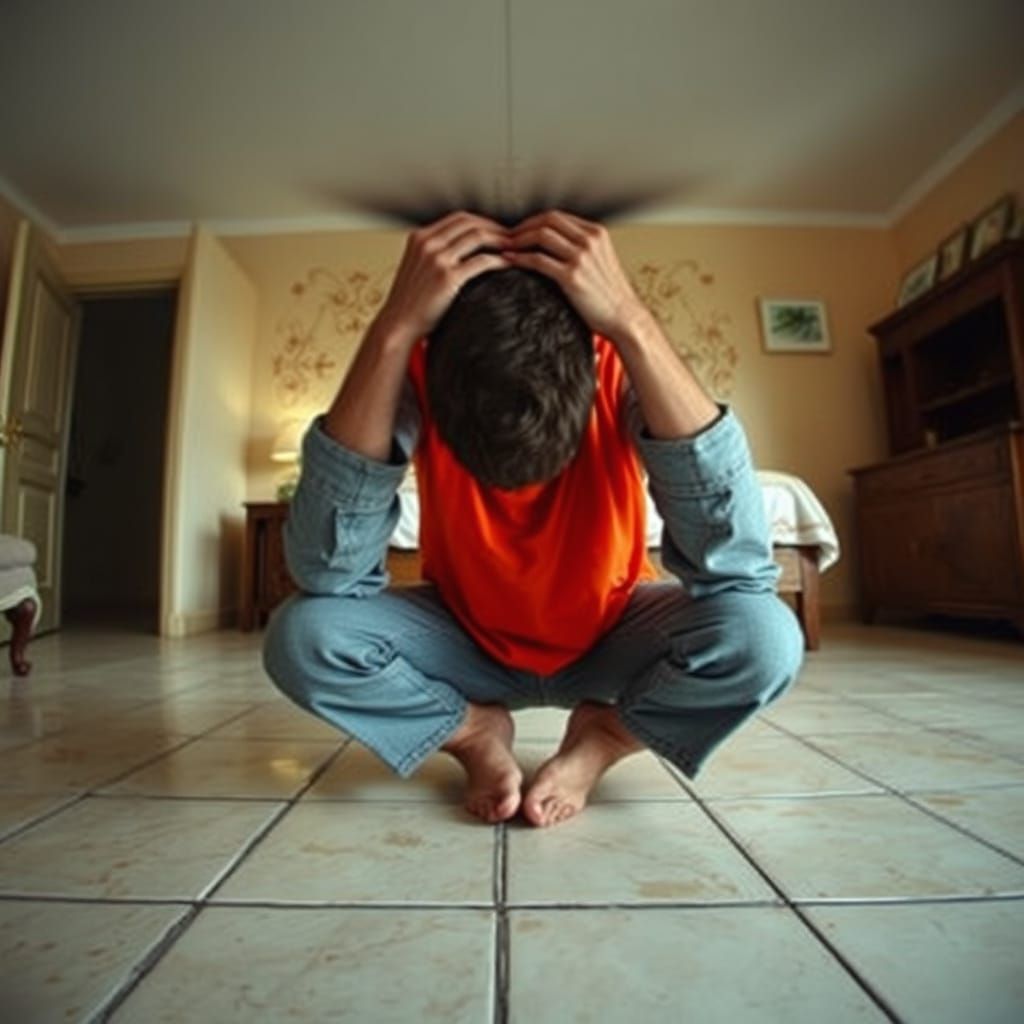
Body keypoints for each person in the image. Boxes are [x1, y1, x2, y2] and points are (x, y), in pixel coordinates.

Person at [263, 209, 803, 828]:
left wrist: (631, 321)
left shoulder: (617, 361)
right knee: (302, 637)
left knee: (764, 638)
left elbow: (738, 568)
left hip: (610, 630)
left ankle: (603, 738)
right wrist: (394, 326)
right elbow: (327, 574)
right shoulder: (416, 367)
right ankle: (473, 732)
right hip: (464, 640)